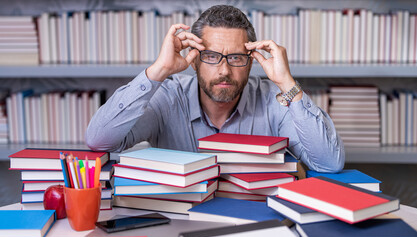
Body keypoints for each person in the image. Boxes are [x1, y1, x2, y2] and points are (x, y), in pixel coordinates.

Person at [86, 5, 344, 172]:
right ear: (194, 59)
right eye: (211, 56)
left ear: (251, 60)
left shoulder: (272, 99)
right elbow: (99, 141)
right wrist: (158, 71)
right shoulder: (168, 96)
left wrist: (288, 83)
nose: (224, 70)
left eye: (236, 57)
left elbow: (329, 163)